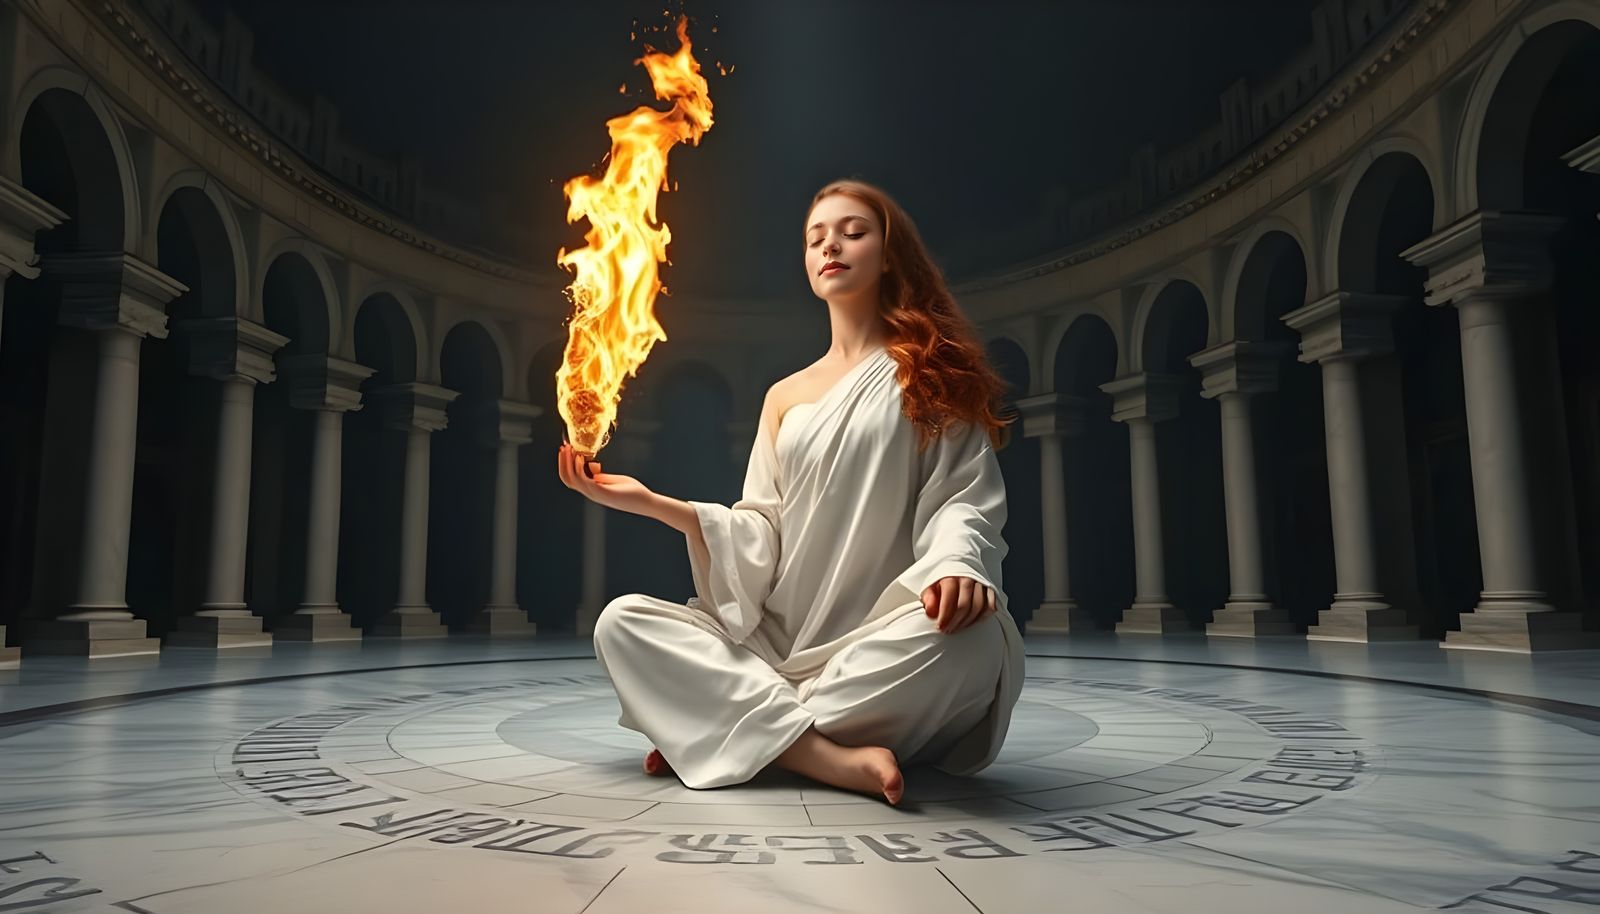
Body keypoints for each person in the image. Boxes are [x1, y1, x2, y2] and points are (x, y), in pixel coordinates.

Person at [555, 179, 1023, 806]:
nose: (831, 245)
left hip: (876, 642)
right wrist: (649, 502)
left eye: (853, 232)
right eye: (815, 238)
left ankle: (726, 725)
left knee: (978, 642)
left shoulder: (933, 372)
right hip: (778, 647)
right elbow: (760, 529)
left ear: (889, 255)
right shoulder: (785, 396)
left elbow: (963, 497)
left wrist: (960, 565)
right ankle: (822, 756)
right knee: (621, 624)